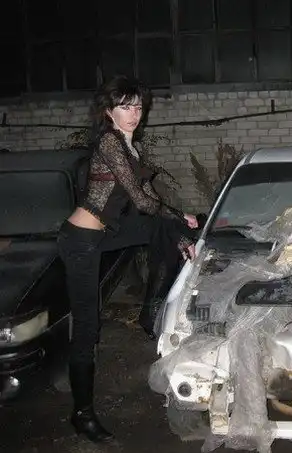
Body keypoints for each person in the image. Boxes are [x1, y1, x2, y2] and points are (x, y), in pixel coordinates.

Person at [57, 75, 199, 442]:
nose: (133, 113)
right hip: (81, 240)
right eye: (125, 106)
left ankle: (150, 313)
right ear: (109, 111)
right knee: (88, 328)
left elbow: (150, 196)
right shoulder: (109, 142)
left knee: (166, 230)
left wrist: (179, 227)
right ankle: (82, 414)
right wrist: (176, 216)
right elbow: (140, 200)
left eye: (137, 106)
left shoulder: (130, 147)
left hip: (107, 232)